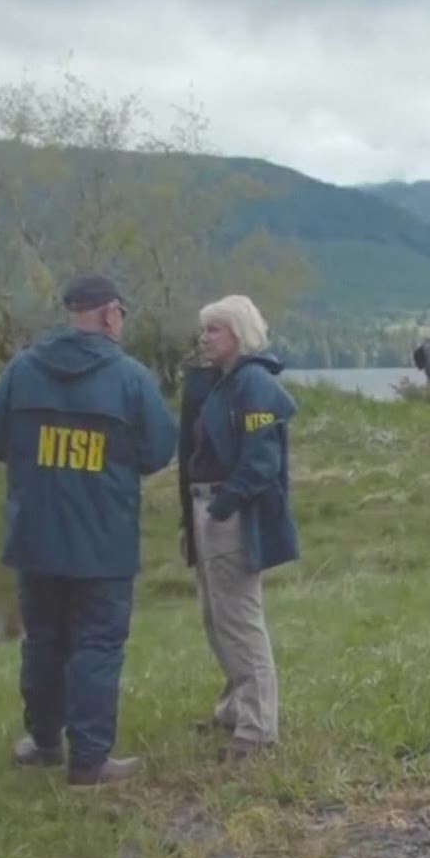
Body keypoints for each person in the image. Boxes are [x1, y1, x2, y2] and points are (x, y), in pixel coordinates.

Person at [0, 274, 178, 786]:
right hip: (103, 541)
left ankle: (44, 741)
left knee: (42, 639)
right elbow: (158, 452)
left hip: (35, 535)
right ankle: (89, 760)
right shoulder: (131, 379)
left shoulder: (22, 370)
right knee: (97, 644)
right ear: (110, 314)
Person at [177, 294, 299, 761]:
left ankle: (257, 727)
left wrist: (224, 506)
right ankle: (234, 708)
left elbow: (261, 461)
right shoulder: (222, 384)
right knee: (216, 616)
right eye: (205, 330)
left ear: (239, 334)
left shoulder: (254, 385)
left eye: (215, 330)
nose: (205, 339)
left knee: (240, 619)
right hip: (206, 504)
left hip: (230, 510)